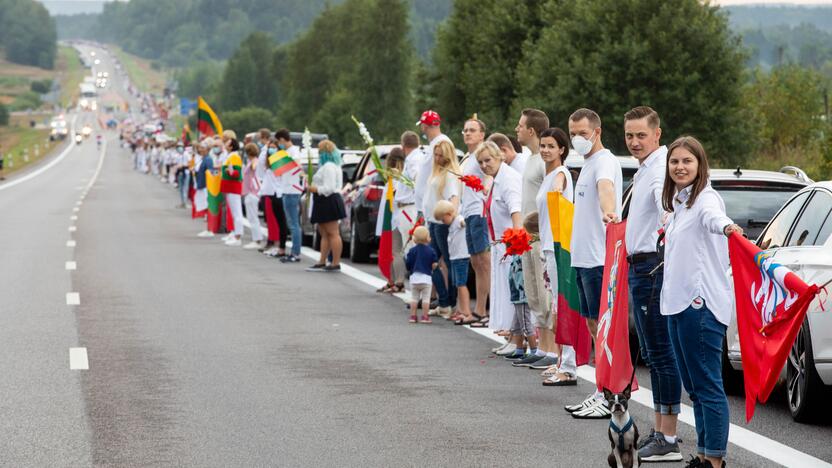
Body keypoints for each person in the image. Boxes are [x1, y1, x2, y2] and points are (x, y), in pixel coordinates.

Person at [662, 136, 741, 468]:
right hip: (676, 305)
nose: (680, 167)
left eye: (687, 161)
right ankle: (705, 456)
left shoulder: (706, 200)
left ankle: (714, 461)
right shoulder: (681, 204)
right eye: (675, 161)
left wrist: (729, 228)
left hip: (700, 306)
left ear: (700, 165)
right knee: (694, 388)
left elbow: (714, 219)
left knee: (708, 386)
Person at [620, 106, 683, 462]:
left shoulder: (660, 168)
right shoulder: (646, 167)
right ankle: (661, 431)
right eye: (629, 135)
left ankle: (669, 437)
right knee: (654, 354)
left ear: (657, 134)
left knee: (661, 353)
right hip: (639, 267)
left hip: (651, 268)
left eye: (641, 135)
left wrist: (665, 224)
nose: (634, 142)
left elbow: (667, 210)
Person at [565, 108, 622, 419]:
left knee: (604, 329)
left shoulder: (604, 162)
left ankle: (610, 395)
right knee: (592, 325)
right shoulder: (584, 163)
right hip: (583, 257)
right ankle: (602, 389)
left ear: (597, 132)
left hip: (600, 260)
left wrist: (609, 212)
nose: (578, 139)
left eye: (583, 134)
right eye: (573, 133)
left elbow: (606, 189)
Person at [535, 127, 578, 382]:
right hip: (549, 247)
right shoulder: (547, 174)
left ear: (562, 149)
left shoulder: (559, 174)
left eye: (551, 146)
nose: (545, 150)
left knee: (562, 306)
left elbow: (559, 188)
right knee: (556, 306)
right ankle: (562, 360)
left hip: (559, 248)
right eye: (542, 146)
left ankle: (569, 367)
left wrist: (559, 190)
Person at [515, 108, 553, 366]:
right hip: (528, 236)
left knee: (544, 292)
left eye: (520, 126)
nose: (516, 129)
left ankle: (551, 350)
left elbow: (551, 199)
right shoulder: (529, 159)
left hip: (540, 236)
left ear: (531, 130)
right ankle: (541, 348)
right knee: (533, 294)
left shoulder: (543, 160)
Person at [476, 141, 522, 342]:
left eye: (488, 160)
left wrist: (515, 242)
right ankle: (510, 335)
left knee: (511, 293)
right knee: (503, 292)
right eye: (481, 162)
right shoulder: (496, 179)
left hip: (509, 245)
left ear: (499, 157)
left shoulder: (508, 179)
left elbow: (516, 209)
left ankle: (515, 337)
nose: (485, 165)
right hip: (499, 243)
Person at [423, 140, 462, 319]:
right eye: (436, 154)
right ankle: (445, 302)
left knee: (446, 261)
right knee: (433, 262)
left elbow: (453, 198)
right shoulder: (438, 172)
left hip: (441, 223)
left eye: (441, 155)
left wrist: (450, 218)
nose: (438, 158)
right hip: (433, 222)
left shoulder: (450, 174)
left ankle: (450, 303)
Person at [458, 116, 490, 326]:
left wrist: (485, 190)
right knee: (476, 262)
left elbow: (491, 175)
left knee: (483, 262)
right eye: (465, 130)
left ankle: (483, 310)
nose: (467, 133)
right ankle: (479, 309)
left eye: (472, 130)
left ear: (481, 135)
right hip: (468, 212)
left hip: (479, 211)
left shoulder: (482, 154)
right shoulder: (467, 158)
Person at [506, 212, 541, 365]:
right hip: (516, 295)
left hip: (522, 295)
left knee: (526, 324)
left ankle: (534, 350)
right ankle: (519, 349)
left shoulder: (523, 254)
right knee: (516, 325)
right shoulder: (516, 255)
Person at [306, 139, 347, 272]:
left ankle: (335, 262)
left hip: (328, 199)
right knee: (324, 233)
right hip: (324, 200)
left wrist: (315, 189)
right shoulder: (332, 166)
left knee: (333, 233)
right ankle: (322, 261)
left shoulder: (329, 166)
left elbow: (328, 188)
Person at [434, 200, 473, 322]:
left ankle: (466, 311)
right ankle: (460, 310)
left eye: (443, 219)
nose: (443, 222)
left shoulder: (458, 220)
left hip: (461, 257)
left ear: (448, 214)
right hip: (455, 258)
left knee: (461, 284)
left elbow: (463, 223)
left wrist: (463, 222)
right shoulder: (451, 223)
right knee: (457, 284)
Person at [377, 147, 407, 293]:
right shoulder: (395, 177)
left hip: (396, 216)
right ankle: (392, 280)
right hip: (394, 215)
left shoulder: (399, 177)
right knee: (393, 251)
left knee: (396, 251)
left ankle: (399, 281)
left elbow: (394, 198)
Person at [413, 110, 452, 221]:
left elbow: (445, 170)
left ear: (424, 126)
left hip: (434, 207)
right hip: (427, 206)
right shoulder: (435, 143)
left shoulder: (442, 143)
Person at [274, 128, 304, 262]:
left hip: (292, 191)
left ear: (282, 140)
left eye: (279, 141)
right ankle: (294, 251)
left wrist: (283, 164)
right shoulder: (286, 152)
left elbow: (297, 166)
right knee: (291, 223)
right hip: (287, 189)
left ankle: (296, 252)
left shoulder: (294, 151)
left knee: (293, 223)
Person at [405, 226, 438, 324]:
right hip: (426, 278)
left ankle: (413, 316)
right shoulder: (431, 251)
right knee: (426, 299)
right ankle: (425, 316)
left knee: (414, 298)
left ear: (414, 239)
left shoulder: (411, 251)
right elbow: (434, 264)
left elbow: (408, 264)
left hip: (414, 278)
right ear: (428, 238)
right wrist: (433, 268)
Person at [255, 129, 281, 253]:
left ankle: (276, 244)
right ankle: (271, 241)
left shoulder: (281, 160)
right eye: (270, 147)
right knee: (269, 219)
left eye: (273, 147)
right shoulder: (267, 160)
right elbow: (260, 171)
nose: (271, 149)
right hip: (268, 192)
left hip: (276, 193)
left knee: (275, 220)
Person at [220, 136, 244, 247]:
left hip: (233, 187)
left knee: (237, 213)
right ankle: (235, 233)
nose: (225, 143)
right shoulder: (230, 156)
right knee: (234, 213)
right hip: (229, 187)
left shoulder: (235, 157)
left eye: (228, 142)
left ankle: (238, 237)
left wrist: (230, 171)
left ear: (231, 146)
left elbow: (237, 174)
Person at [242, 143, 265, 250]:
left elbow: (256, 167)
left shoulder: (254, 161)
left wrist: (254, 165)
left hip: (252, 192)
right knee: (251, 217)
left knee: (253, 217)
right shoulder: (251, 161)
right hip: (249, 192)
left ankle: (257, 239)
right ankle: (256, 238)